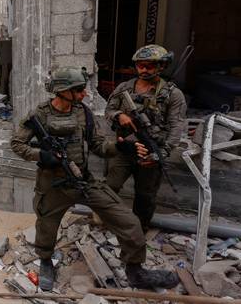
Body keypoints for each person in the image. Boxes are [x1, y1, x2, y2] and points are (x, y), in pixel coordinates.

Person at [11, 67, 178, 291]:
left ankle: (135, 271)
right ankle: (45, 262)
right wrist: (42, 155)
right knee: (46, 228)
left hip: (84, 180)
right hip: (52, 184)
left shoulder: (84, 112)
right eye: (79, 90)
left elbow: (99, 145)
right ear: (63, 91)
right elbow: (17, 144)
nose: (84, 94)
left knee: (129, 222)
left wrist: (120, 147)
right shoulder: (39, 115)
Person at [105, 45, 187, 232]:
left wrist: (161, 154)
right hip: (125, 148)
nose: (143, 70)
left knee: (145, 196)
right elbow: (108, 110)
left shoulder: (173, 94)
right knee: (109, 187)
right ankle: (107, 222)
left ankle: (139, 229)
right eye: (140, 66)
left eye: (149, 66)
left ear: (161, 66)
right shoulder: (124, 87)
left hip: (150, 151)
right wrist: (119, 115)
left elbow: (176, 127)